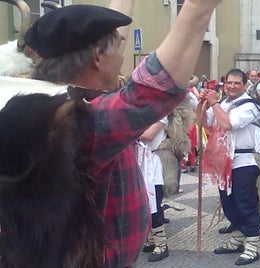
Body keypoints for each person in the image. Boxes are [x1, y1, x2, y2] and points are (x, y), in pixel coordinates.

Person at [0, 1, 222, 266]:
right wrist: (198, 9)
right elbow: (153, 92)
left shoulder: (40, 102)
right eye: (118, 45)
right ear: (96, 57)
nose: (122, 54)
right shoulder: (72, 120)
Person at [201, 69, 260, 265]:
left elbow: (227, 124)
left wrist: (213, 103)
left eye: (237, 83)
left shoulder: (250, 106)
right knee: (229, 203)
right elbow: (205, 122)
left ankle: (252, 246)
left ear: (244, 85)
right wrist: (203, 104)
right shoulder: (224, 103)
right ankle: (237, 239)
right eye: (229, 82)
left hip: (245, 161)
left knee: (245, 203)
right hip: (224, 160)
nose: (232, 86)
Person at [137, 118, 170, 262]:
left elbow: (148, 135)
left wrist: (124, 130)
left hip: (155, 161)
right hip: (139, 160)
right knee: (143, 202)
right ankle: (151, 240)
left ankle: (162, 244)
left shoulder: (161, 113)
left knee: (154, 202)